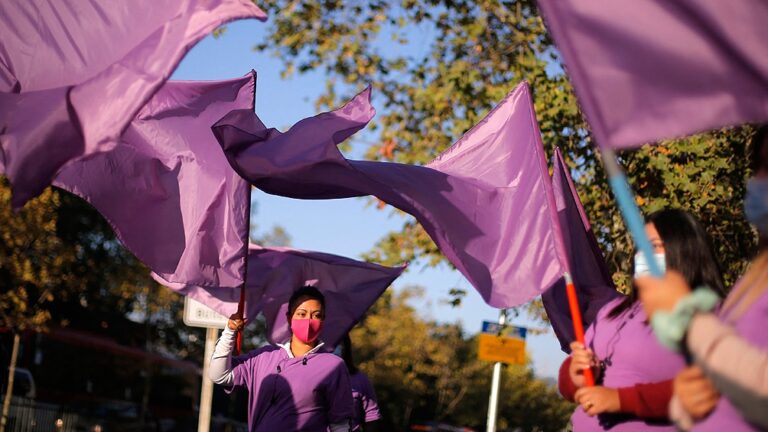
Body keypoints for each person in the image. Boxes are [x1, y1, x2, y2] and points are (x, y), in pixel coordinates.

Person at [637, 125, 768, 430]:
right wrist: (686, 402)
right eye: (758, 167)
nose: (758, 181)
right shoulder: (751, 282)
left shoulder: (702, 306)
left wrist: (691, 321)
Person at [558, 209, 726, 430]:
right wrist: (575, 377)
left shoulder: (711, 314)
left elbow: (709, 387)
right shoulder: (612, 310)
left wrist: (619, 399)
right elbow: (569, 380)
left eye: (654, 246)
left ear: (685, 250)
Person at [209, 286, 353, 431]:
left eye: (316, 315)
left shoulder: (333, 366)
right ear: (289, 318)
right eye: (302, 314)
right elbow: (219, 375)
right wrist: (230, 331)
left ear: (323, 320)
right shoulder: (263, 357)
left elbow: (339, 424)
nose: (309, 320)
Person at [336, 334, 381, 431]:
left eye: (338, 343)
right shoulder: (310, 377)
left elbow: (371, 418)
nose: (335, 348)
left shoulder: (360, 379)